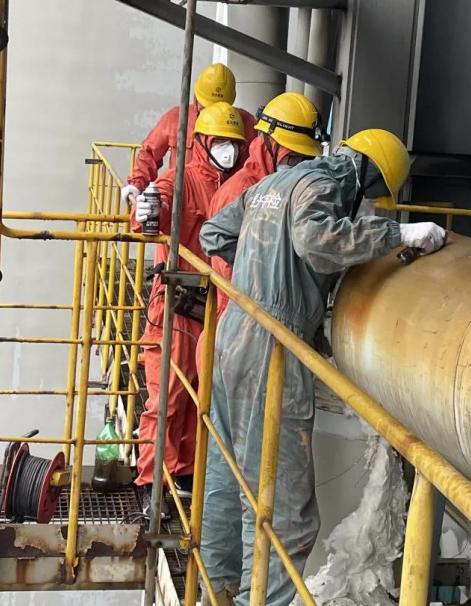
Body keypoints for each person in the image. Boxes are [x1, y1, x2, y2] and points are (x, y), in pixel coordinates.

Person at [198, 129, 446, 605]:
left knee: (227, 478)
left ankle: (215, 589)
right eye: (374, 194)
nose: (367, 205)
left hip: (234, 331)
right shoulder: (326, 183)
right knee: (283, 512)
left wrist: (265, 270)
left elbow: (215, 234)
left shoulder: (273, 183)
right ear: (367, 173)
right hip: (272, 347)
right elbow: (315, 242)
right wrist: (397, 234)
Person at [130, 101, 248, 517]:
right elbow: (154, 208)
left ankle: (183, 471)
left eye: (234, 144)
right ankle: (150, 482)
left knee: (199, 396)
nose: (229, 151)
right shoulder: (181, 180)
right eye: (220, 143)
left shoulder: (240, 184)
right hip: (177, 305)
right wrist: (146, 206)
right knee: (167, 396)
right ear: (202, 142)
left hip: (213, 307)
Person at [198, 92, 322, 368]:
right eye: (292, 157)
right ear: (269, 143)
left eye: (303, 158)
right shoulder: (241, 192)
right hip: (239, 330)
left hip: (256, 329)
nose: (297, 165)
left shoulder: (278, 188)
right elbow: (229, 270)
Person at [121, 63, 256, 201]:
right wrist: (137, 185)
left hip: (227, 201)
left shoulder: (246, 123)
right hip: (183, 200)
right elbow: (149, 153)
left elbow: (256, 165)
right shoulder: (177, 118)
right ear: (196, 98)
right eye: (206, 109)